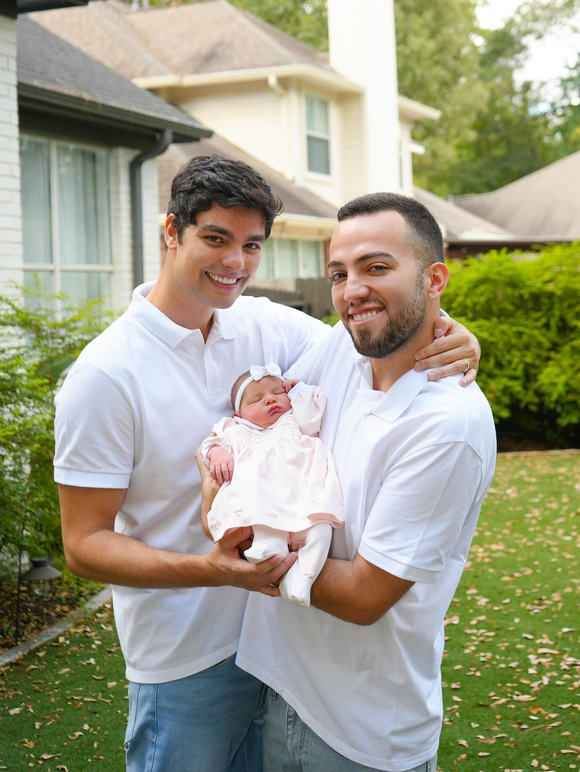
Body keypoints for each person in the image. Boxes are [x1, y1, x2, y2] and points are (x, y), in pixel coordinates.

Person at [53, 153, 481, 772]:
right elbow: (83, 544)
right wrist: (212, 570)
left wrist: (456, 334)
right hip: (185, 659)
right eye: (216, 238)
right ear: (171, 232)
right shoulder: (104, 375)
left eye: (251, 245)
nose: (235, 263)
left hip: (281, 651)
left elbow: (371, 329)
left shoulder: (262, 326)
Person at [235, 193, 497, 772]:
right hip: (285, 689)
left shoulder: (446, 425)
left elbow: (363, 597)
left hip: (361, 733)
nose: (352, 289)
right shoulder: (342, 353)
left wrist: (243, 548)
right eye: (339, 273)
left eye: (376, 267)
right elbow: (256, 414)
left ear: (435, 279)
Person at [202, 363, 344, 607]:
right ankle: (268, 544)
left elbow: (312, 420)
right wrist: (217, 454)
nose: (270, 400)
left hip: (304, 489)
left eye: (278, 393)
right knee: (260, 510)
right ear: (239, 414)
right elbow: (210, 445)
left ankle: (304, 579)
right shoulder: (234, 428)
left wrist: (298, 392)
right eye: (256, 399)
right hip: (264, 495)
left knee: (320, 528)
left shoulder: (293, 419)